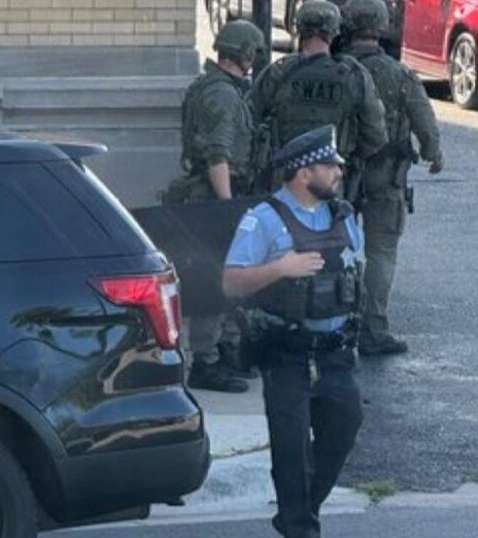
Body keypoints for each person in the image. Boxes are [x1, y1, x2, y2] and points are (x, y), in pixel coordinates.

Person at [223, 125, 363, 538]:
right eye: (330, 166)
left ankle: (298, 511)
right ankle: (301, 526)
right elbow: (231, 282)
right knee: (290, 450)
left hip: (334, 351)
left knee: (345, 425)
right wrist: (280, 269)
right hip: (286, 352)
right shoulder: (263, 220)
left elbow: (356, 270)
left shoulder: (344, 215)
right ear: (304, 173)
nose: (339, 172)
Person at [164, 20, 267, 393]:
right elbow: (217, 155)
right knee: (213, 281)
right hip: (216, 193)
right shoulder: (223, 95)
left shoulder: (214, 88)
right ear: (244, 53)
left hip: (214, 191)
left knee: (222, 277)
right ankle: (205, 361)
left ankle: (223, 352)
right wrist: (227, 207)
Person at [341, 0, 443, 356]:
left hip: (339, 174)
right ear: (382, 27)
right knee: (381, 250)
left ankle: (337, 320)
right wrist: (434, 153)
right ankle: (374, 328)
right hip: (387, 176)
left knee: (335, 248)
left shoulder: (339, 70)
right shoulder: (399, 74)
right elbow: (424, 121)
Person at [248, 0, 387, 198]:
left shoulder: (278, 72)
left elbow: (248, 119)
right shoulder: (354, 75)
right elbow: (376, 135)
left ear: (299, 29)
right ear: (334, 33)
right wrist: (347, 157)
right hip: (331, 179)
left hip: (285, 177)